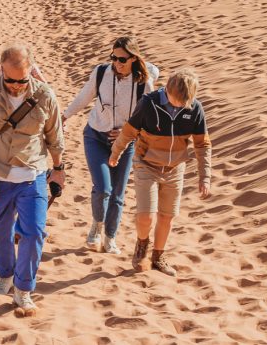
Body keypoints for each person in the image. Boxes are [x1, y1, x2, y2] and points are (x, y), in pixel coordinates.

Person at [0, 44, 64, 316]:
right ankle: (4, 277)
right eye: (10, 80)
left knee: (34, 233)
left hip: (33, 176)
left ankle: (23, 289)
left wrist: (59, 169)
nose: (17, 86)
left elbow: (55, 136)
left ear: (31, 71)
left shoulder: (44, 95)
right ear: (1, 71)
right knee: (2, 232)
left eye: (23, 80)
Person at [109, 67, 212, 276]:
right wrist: (116, 153)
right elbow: (129, 131)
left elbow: (202, 145)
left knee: (167, 216)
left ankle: (158, 255)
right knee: (146, 215)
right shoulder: (149, 103)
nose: (182, 105)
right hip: (146, 164)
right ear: (167, 90)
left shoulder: (194, 108)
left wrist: (205, 176)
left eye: (186, 102)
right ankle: (142, 246)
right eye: (178, 100)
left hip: (175, 169)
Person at [62, 36, 158, 254]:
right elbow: (83, 98)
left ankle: (110, 237)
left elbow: (149, 118)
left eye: (122, 59)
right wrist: (65, 116)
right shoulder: (101, 73)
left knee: (117, 194)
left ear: (134, 58)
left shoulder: (143, 83)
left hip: (125, 143)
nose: (117, 63)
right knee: (103, 188)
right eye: (113, 58)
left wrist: (127, 130)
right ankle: (96, 226)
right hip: (96, 136)